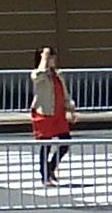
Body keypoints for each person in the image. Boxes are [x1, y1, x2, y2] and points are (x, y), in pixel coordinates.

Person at [23, 42, 74, 186]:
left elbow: (64, 93)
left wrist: (71, 108)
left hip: (58, 113)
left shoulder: (58, 74)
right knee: (46, 145)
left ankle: (51, 167)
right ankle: (45, 176)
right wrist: (44, 58)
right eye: (50, 56)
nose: (53, 59)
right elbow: (38, 75)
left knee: (66, 141)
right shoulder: (38, 74)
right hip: (44, 113)